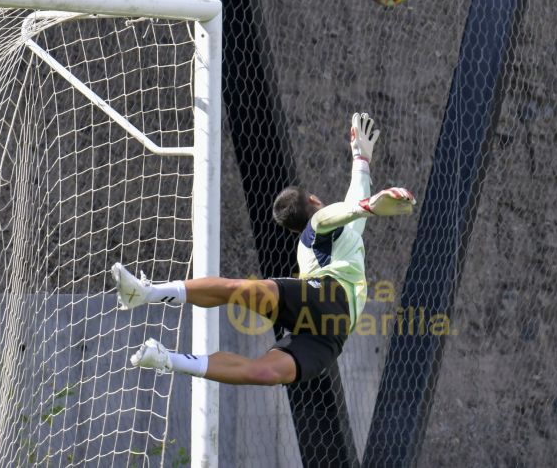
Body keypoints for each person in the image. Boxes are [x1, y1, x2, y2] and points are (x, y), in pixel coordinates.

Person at [111, 113, 415, 385]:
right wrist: (368, 206)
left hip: (331, 333)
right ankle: (146, 293)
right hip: (323, 295)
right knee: (241, 290)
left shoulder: (346, 234)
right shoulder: (318, 226)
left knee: (265, 373)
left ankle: (166, 359)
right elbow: (345, 209)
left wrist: (361, 160)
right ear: (313, 201)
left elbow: (352, 204)